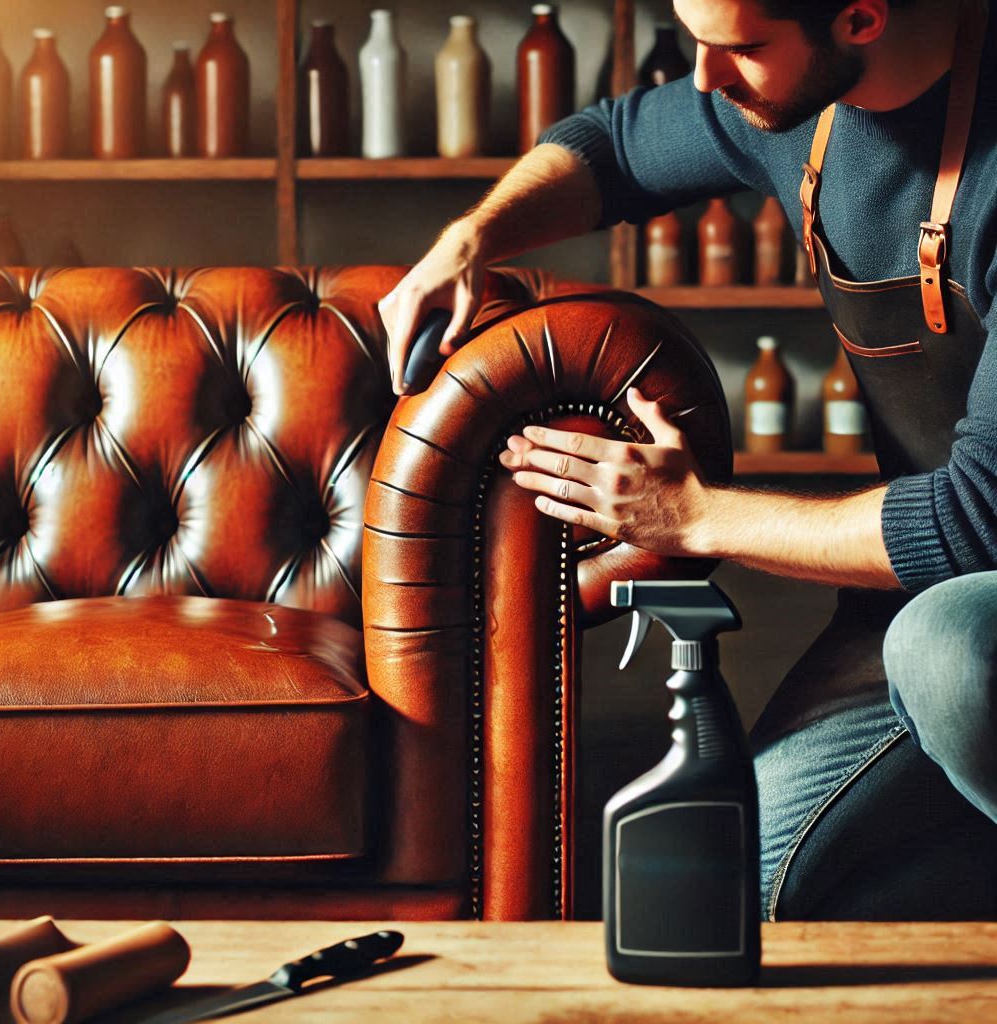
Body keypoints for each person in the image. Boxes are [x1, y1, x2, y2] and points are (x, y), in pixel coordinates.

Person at [379, 0, 997, 920]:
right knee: (725, 901)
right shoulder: (795, 107)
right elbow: (609, 146)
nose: (705, 77)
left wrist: (696, 514)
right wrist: (472, 238)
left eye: (738, 48)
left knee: (946, 648)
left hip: (965, 599)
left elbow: (975, 521)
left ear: (860, 20)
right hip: (905, 598)